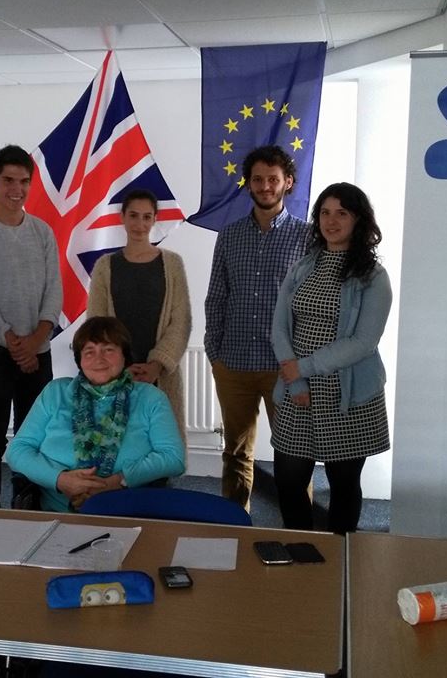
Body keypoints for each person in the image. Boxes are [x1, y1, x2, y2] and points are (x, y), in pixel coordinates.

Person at [270, 183, 392, 534]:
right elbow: (280, 327)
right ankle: (299, 548)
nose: (331, 221)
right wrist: (296, 379)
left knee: (344, 485)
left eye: (342, 213)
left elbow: (364, 342)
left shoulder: (373, 277)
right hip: (298, 390)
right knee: (288, 482)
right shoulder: (302, 267)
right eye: (325, 212)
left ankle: (341, 552)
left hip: (347, 396)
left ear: (359, 220)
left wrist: (303, 367)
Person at [204, 145, 310, 510]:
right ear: (248, 184)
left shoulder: (307, 238)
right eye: (258, 179)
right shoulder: (229, 235)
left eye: (273, 179)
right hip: (233, 364)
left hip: (285, 368)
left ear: (288, 182)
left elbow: (311, 304)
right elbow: (216, 296)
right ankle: (236, 525)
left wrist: (303, 362)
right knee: (235, 452)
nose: (265, 186)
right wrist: (215, 352)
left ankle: (301, 529)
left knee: (294, 454)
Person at [0, 145, 63, 508]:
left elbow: (54, 291)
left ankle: (28, 506)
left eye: (23, 181)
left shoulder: (42, 232)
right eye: (8, 181)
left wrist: (35, 342)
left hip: (38, 353)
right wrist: (15, 344)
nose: (16, 189)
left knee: (34, 439)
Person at [6, 316, 185, 513]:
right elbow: (18, 450)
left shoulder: (150, 398)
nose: (99, 359)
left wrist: (118, 481)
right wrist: (61, 480)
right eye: (89, 351)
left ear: (124, 356)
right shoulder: (55, 393)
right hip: (57, 512)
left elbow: (173, 458)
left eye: (108, 350)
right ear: (80, 360)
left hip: (130, 511)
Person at [87, 189, 192, 444]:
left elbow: (181, 321)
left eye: (146, 217)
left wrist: (156, 365)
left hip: (161, 375)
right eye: (133, 216)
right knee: (118, 447)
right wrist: (120, 366)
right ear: (122, 217)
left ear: (155, 219)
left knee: (161, 446)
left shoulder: (172, 264)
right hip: (116, 373)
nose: (140, 224)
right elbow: (96, 323)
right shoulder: (105, 266)